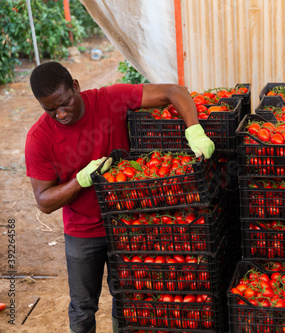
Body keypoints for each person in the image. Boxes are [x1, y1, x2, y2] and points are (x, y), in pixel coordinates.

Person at [24, 61, 215, 333]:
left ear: (75, 86)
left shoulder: (109, 100)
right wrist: (79, 181)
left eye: (64, 103)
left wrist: (194, 130)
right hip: (82, 232)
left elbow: (175, 91)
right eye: (50, 109)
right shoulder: (39, 138)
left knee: (125, 298)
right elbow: (43, 201)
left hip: (125, 226)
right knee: (82, 305)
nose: (60, 113)